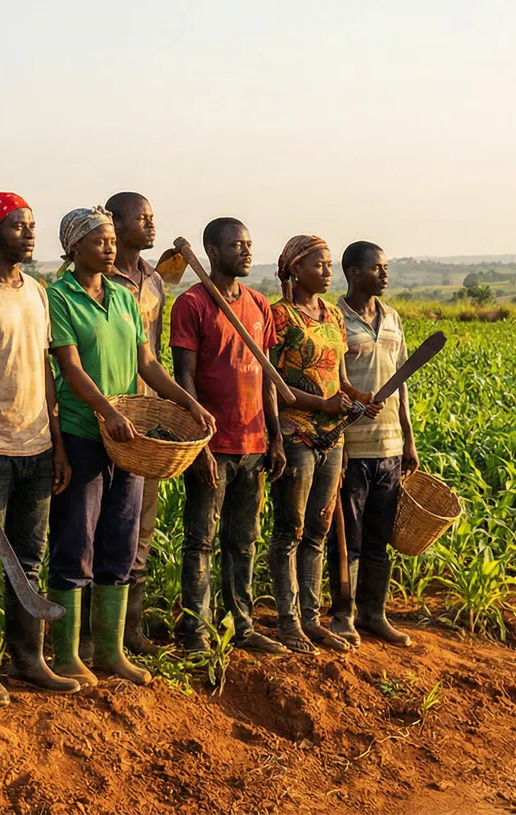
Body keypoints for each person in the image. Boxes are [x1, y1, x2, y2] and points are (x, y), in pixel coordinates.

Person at [46, 206, 216, 687]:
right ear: (74, 247)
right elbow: (71, 368)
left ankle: (111, 651)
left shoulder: (123, 297)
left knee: (120, 540)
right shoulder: (60, 297)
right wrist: (107, 411)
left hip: (132, 435)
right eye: (98, 240)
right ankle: (67, 655)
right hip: (87, 430)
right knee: (76, 539)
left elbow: (149, 365)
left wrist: (187, 404)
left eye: (110, 241)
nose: (109, 247)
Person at [0, 192, 77, 700]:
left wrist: (58, 444)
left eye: (31, 225)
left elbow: (46, 373)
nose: (29, 233)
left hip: (37, 444)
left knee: (29, 558)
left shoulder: (38, 293)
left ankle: (29, 659)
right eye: (17, 225)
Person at [171, 217, 288, 654]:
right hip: (214, 446)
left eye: (249, 244)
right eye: (236, 245)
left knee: (243, 542)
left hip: (254, 445)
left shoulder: (258, 305)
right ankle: (196, 633)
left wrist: (274, 438)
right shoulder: (193, 304)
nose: (245, 251)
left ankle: (241, 626)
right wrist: (199, 444)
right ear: (211, 252)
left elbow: (266, 378)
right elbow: (185, 379)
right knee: (200, 540)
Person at [264, 235, 380, 653]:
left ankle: (312, 619)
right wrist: (323, 402)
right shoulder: (278, 317)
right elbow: (271, 386)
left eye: (330, 264)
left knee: (319, 530)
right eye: (320, 265)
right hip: (296, 435)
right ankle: (287, 622)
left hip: (332, 438)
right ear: (295, 269)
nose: (328, 272)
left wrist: (357, 397)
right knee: (289, 531)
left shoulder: (332, 315)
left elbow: (340, 376)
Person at [335, 240, 418, 648]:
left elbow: (402, 385)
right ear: (353, 272)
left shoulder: (393, 318)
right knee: (347, 536)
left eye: (385, 268)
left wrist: (409, 439)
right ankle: (342, 615)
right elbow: (329, 380)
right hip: (351, 445)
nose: (384, 274)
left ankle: (374, 613)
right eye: (376, 268)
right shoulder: (335, 319)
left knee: (379, 537)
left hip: (389, 446)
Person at [102, 191, 166, 657]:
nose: (150, 224)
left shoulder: (155, 281)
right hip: (103, 412)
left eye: (151, 217)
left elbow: (153, 355)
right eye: (141, 218)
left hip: (145, 418)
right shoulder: (94, 275)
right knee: (98, 523)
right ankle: (89, 635)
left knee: (140, 525)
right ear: (115, 223)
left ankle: (128, 630)